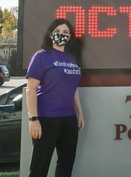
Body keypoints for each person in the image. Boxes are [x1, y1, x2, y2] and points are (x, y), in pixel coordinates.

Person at [26, 18, 85, 177]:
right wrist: (33, 119)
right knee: (39, 168)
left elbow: (73, 89)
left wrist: (80, 113)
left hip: (69, 120)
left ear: (70, 36)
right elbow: (30, 90)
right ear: (50, 34)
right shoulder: (41, 56)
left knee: (66, 166)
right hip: (46, 119)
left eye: (65, 32)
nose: (62, 35)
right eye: (57, 32)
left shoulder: (72, 59)